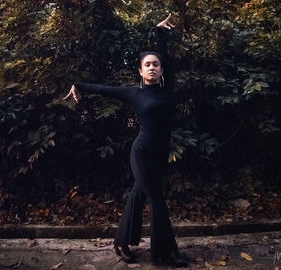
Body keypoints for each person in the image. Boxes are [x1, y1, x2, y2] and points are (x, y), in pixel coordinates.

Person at [63, 14, 188, 268]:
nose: (152, 67)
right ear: (141, 71)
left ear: (161, 69)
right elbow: (103, 88)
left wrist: (160, 33)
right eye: (147, 65)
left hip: (160, 154)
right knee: (157, 200)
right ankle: (166, 252)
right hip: (141, 153)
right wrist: (77, 84)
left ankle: (120, 242)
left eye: (156, 64)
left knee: (138, 197)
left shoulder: (168, 89)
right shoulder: (134, 94)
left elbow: (165, 55)